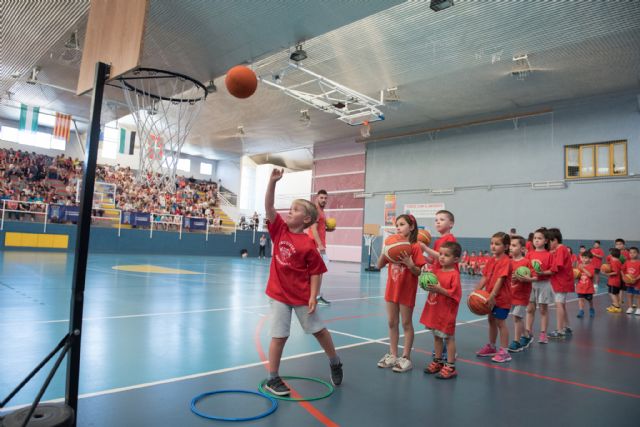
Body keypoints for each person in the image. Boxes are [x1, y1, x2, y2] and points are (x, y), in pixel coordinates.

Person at [262, 169, 342, 396]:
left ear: (306, 219)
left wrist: (313, 296)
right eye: (291, 208)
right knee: (279, 335)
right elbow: (269, 207)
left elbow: (316, 272)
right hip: (278, 294)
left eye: (295, 210)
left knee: (319, 331)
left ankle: (335, 361)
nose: (290, 211)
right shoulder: (279, 230)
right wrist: (272, 182)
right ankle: (273, 378)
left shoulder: (308, 244)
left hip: (300, 296)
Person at [376, 214, 426, 373]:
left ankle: (405, 357)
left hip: (407, 291)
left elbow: (419, 272)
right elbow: (378, 265)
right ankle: (392, 354)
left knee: (406, 323)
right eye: (397, 225)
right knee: (391, 322)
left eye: (402, 224)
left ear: (411, 227)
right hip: (392, 289)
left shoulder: (415, 247)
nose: (398, 227)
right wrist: (385, 250)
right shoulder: (392, 246)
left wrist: (411, 264)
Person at [420, 241, 462, 379]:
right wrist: (425, 282)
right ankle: (438, 362)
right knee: (437, 337)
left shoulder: (454, 274)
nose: (442, 257)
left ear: (456, 259)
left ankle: (450, 366)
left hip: (447, 313)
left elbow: (454, 294)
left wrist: (439, 289)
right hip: (435, 311)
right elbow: (429, 284)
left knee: (449, 339)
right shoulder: (436, 271)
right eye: (441, 254)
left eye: (446, 255)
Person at [474, 232, 513, 363]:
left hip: (501, 298)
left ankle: (504, 351)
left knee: (501, 323)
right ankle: (491, 346)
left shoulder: (506, 261)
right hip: (489, 297)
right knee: (491, 320)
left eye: (497, 244)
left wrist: (492, 295)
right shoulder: (491, 260)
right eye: (492, 243)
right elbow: (485, 277)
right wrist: (477, 291)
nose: (493, 246)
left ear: (506, 246)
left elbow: (500, 280)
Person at [524, 228, 554, 345]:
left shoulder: (549, 255)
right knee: (530, 309)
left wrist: (542, 273)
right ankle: (527, 333)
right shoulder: (529, 254)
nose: (536, 240)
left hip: (544, 284)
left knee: (543, 310)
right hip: (530, 284)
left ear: (545, 240)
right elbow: (525, 268)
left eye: (539, 238)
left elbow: (552, 270)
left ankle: (543, 334)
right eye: (535, 238)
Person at [508, 235, 534, 353]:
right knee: (518, 318)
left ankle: (516, 341)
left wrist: (525, 278)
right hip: (511, 294)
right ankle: (527, 335)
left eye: (514, 245)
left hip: (522, 295)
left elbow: (534, 277)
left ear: (523, 249)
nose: (511, 248)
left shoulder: (527, 262)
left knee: (517, 317)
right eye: (510, 246)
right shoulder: (508, 262)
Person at [547, 228, 574, 339]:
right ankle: (567, 327)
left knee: (559, 305)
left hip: (562, 281)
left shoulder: (561, 249)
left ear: (555, 240)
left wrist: (543, 271)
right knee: (561, 304)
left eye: (549, 241)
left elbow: (557, 266)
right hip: (560, 281)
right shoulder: (559, 250)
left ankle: (560, 330)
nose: (548, 244)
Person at [307, 189, 331, 305]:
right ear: (317, 197)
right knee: (318, 271)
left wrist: (329, 228)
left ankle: (315, 295)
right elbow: (313, 228)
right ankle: (315, 296)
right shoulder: (316, 210)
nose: (324, 200)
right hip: (315, 244)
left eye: (325, 198)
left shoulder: (322, 211)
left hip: (319, 244)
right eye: (321, 198)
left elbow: (320, 228)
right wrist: (320, 245)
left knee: (319, 272)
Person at [576, 250, 596, 318]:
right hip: (580, 287)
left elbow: (590, 275)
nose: (584, 259)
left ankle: (591, 309)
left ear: (590, 259)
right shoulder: (579, 266)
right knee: (580, 299)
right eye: (583, 257)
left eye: (586, 258)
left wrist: (583, 269)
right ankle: (581, 311)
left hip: (588, 288)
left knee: (589, 300)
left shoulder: (591, 266)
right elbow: (577, 275)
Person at [604, 247, 623, 313]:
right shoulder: (618, 261)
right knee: (616, 293)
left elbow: (616, 272)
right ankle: (615, 304)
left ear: (611, 255)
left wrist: (607, 273)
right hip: (617, 281)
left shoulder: (615, 262)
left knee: (612, 293)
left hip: (614, 281)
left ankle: (617, 306)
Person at [622, 247, 640, 315]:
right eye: (630, 252)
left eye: (634, 252)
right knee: (629, 295)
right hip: (629, 283)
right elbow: (622, 270)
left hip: (637, 283)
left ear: (638, 254)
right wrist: (624, 277)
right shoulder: (627, 262)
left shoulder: (639, 263)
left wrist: (636, 279)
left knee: (638, 296)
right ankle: (630, 307)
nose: (632, 254)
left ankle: (638, 308)